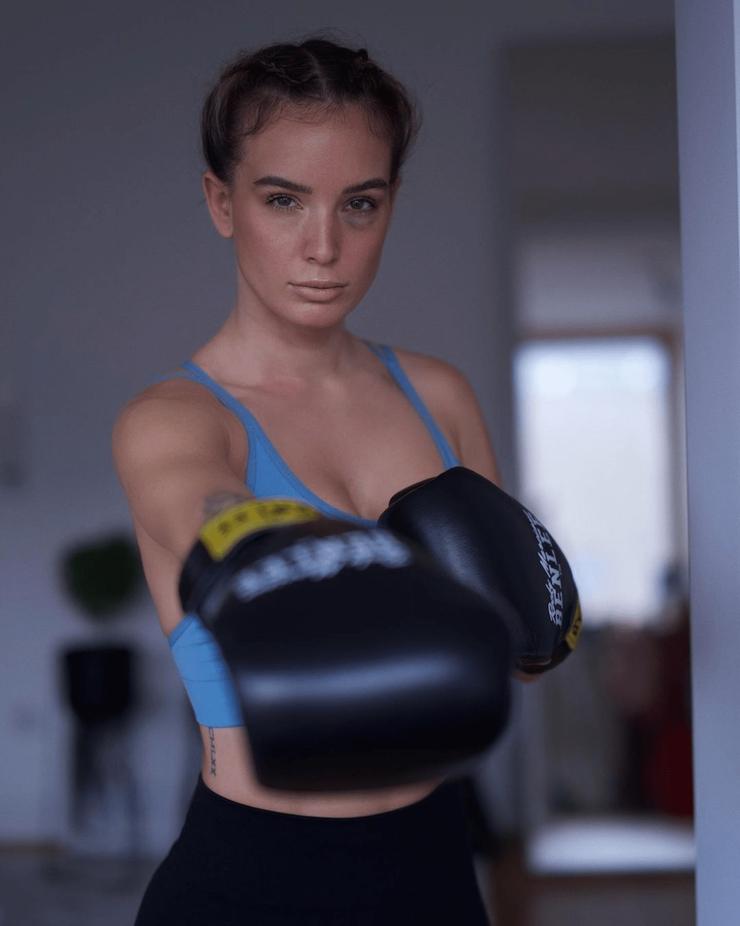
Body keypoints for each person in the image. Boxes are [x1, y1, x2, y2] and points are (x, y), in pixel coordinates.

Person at [113, 37, 502, 925]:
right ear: (223, 202)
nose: (324, 247)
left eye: (359, 203)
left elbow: (509, 660)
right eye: (283, 200)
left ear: (391, 203)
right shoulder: (173, 420)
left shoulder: (439, 396)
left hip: (436, 870)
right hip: (254, 878)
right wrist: (268, 547)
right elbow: (213, 519)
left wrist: (522, 625)